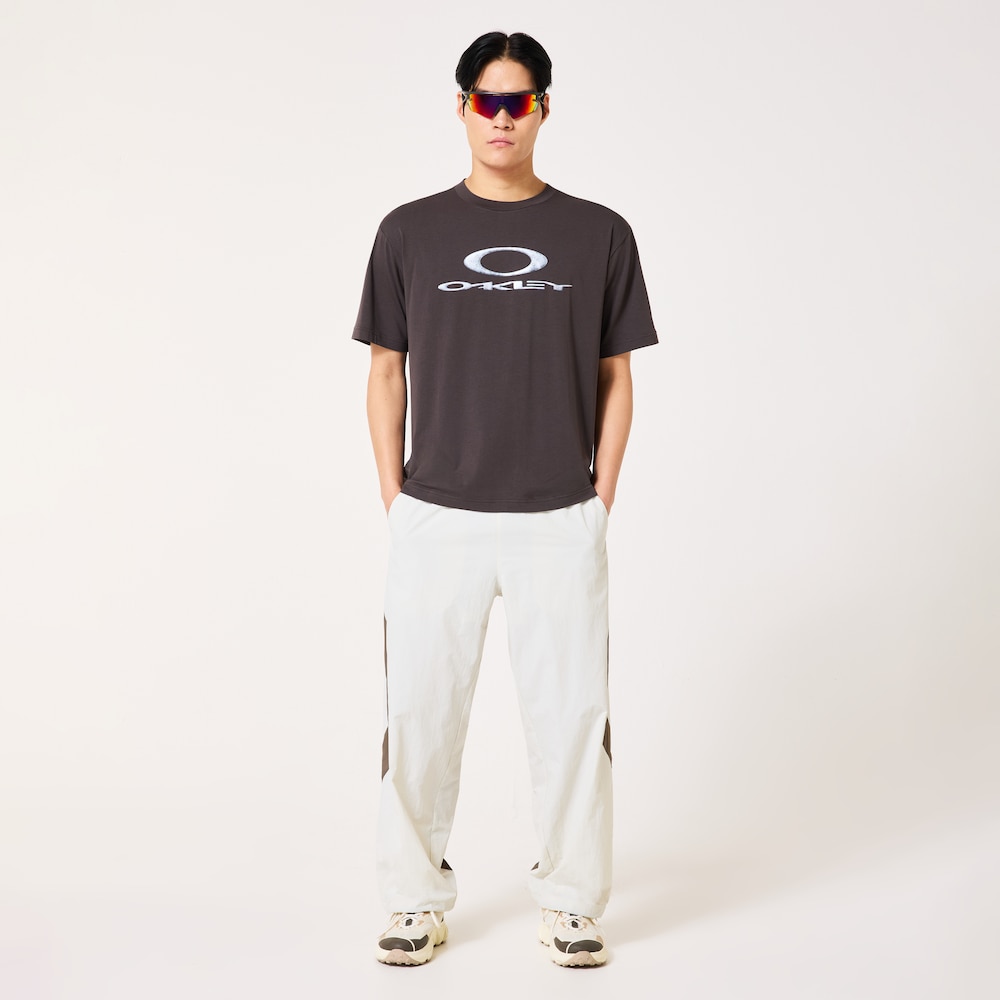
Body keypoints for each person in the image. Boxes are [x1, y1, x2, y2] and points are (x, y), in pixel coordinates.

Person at [352, 30, 658, 967]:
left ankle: (572, 903)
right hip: (437, 515)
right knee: (420, 716)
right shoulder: (408, 231)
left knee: (572, 717)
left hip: (557, 517)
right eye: (485, 101)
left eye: (517, 102)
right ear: (461, 108)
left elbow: (616, 375)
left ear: (543, 109)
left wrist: (598, 498)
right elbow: (386, 370)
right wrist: (398, 499)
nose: (501, 119)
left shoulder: (600, 233)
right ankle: (413, 901)